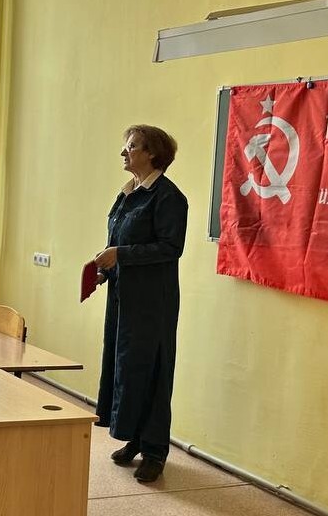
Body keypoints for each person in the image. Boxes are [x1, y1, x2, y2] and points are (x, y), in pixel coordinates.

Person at [92, 124, 188, 483]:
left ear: (152, 154)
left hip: (152, 302)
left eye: (131, 146)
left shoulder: (168, 197)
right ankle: (134, 436)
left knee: (152, 371)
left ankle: (155, 450)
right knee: (126, 369)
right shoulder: (128, 192)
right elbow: (117, 239)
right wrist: (104, 269)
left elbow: (170, 248)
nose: (124, 152)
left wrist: (121, 255)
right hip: (124, 296)